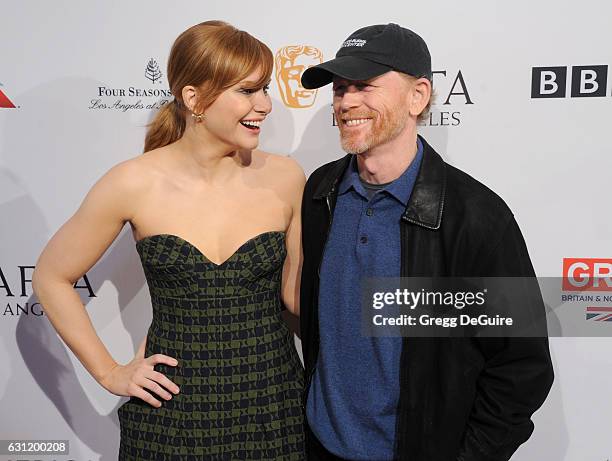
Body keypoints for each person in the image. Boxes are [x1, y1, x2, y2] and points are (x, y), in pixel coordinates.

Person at [32, 20, 306, 460]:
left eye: (265, 88)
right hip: (170, 412)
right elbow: (51, 277)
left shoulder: (286, 177)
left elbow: (297, 298)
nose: (265, 105)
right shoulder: (132, 183)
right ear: (194, 98)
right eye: (247, 91)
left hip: (272, 407)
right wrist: (110, 373)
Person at [298, 23, 554, 461]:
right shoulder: (321, 191)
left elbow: (520, 368)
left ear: (418, 95)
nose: (346, 102)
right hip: (319, 446)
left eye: (364, 85)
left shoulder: (475, 216)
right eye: (340, 88)